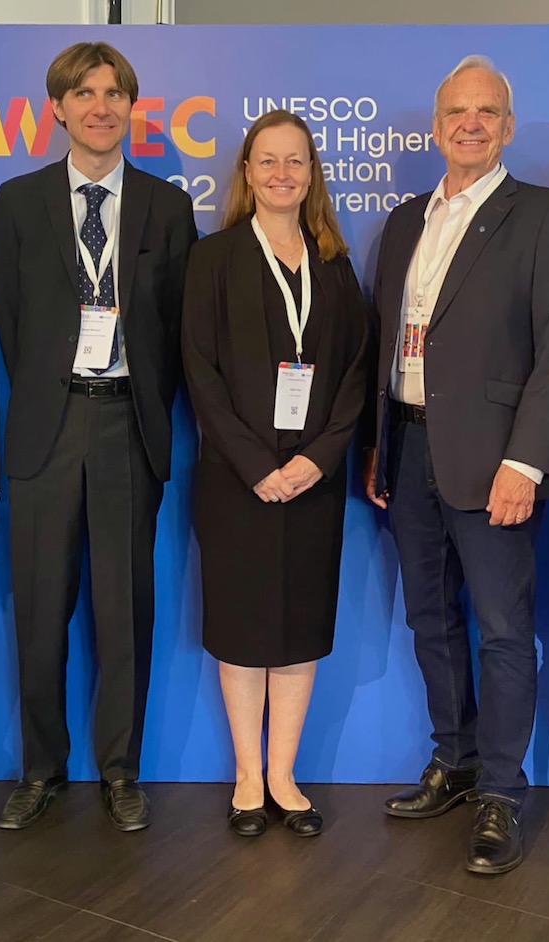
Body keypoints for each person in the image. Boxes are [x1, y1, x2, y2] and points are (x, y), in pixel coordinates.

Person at [363, 56, 549, 873]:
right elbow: (389, 342)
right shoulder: (403, 221)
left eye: (486, 112)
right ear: (435, 124)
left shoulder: (542, 214)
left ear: (507, 126)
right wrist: (380, 446)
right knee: (430, 620)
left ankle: (500, 789)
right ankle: (453, 763)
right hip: (409, 446)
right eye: (457, 111)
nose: (470, 123)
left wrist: (525, 463)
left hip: (494, 460)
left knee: (502, 632)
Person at [0, 42, 197, 832]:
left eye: (114, 93)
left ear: (131, 108)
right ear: (59, 109)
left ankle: (119, 771)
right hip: (47, 427)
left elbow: (178, 329)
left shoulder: (167, 208)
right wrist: (56, 386)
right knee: (40, 612)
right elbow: (10, 319)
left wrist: (132, 396)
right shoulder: (17, 200)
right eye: (84, 93)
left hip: (126, 428)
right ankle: (40, 770)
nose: (100, 106)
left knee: (124, 612)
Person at [182, 110, 367, 838]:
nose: (282, 174)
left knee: (298, 628)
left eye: (296, 161)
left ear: (311, 174)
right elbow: (199, 372)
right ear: (247, 173)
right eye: (268, 161)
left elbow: (355, 371)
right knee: (243, 628)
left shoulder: (335, 262)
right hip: (237, 481)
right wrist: (258, 465)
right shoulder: (213, 258)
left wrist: (314, 461)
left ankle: (285, 775)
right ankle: (247, 779)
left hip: (312, 482)